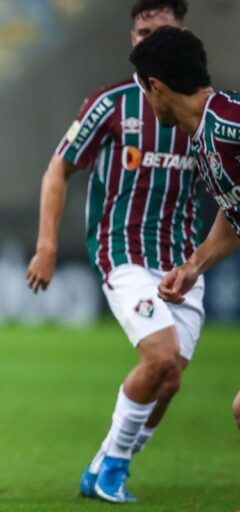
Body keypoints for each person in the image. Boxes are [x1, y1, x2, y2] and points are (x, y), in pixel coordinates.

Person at [25, 0, 204, 503]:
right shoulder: (110, 104)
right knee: (160, 355)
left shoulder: (202, 112)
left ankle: (104, 464)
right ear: (131, 39)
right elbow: (58, 168)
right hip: (122, 253)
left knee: (168, 381)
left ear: (180, 35)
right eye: (140, 31)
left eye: (159, 30)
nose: (147, 40)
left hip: (185, 261)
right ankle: (114, 471)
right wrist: (46, 246)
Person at [128, 27, 240, 432]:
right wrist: (194, 265)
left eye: (142, 90)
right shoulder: (203, 138)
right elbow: (235, 212)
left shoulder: (228, 122)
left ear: (155, 86)